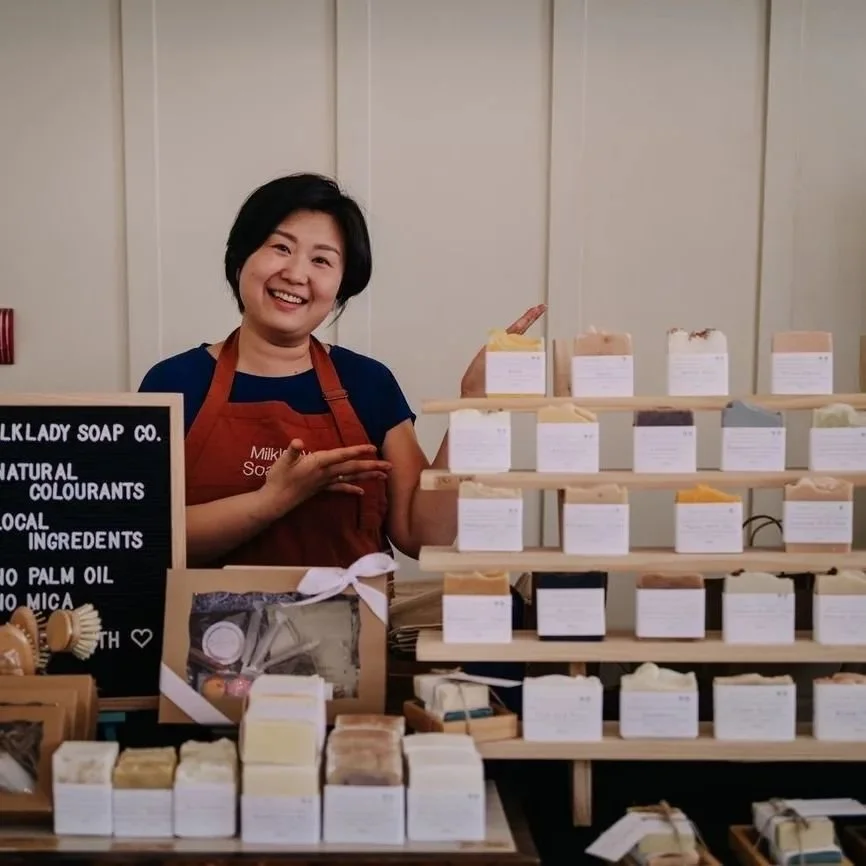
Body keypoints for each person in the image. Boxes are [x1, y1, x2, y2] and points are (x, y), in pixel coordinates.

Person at [138, 172, 546, 568]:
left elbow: (423, 536)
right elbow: (144, 539)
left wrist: (474, 404)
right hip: (207, 635)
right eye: (281, 248)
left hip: (349, 635)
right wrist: (273, 499)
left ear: (340, 286)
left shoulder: (368, 383)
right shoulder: (173, 383)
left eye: (321, 260)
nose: (296, 274)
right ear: (241, 257)